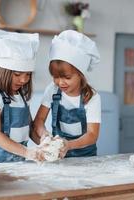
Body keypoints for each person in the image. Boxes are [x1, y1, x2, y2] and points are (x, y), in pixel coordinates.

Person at [33, 30, 101, 158]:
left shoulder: (91, 97)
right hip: (58, 157)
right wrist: (44, 135)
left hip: (86, 158)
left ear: (80, 75)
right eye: (55, 77)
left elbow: (92, 135)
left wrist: (68, 145)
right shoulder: (52, 90)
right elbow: (39, 121)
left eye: (67, 77)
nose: (60, 82)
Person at [0, 27, 41, 162]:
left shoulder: (22, 97)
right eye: (17, 74)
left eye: (28, 74)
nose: (24, 80)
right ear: (2, 72)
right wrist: (27, 152)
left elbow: (30, 130)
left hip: (19, 162)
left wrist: (45, 143)